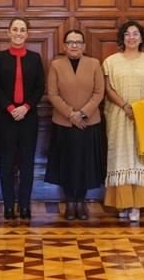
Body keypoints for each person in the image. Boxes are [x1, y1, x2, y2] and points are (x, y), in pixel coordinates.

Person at [45, 29, 106, 220]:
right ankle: (70, 202)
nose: (74, 45)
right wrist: (71, 114)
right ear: (64, 46)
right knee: (67, 164)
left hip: (89, 123)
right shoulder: (56, 65)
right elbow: (52, 94)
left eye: (78, 42)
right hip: (64, 123)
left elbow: (99, 92)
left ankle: (82, 201)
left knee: (85, 164)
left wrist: (83, 113)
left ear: (84, 46)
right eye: (70, 42)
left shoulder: (94, 64)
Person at [103, 20, 144, 222]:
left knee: (141, 155)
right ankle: (123, 203)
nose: (131, 37)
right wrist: (126, 106)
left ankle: (137, 204)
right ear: (122, 38)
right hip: (119, 115)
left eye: (135, 34)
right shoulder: (111, 61)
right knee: (121, 156)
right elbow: (108, 88)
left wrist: (140, 107)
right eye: (127, 34)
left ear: (141, 38)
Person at [0, 17, 45, 220]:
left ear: (27, 34)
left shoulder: (35, 58)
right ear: (8, 33)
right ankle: (8, 206)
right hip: (6, 118)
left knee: (27, 164)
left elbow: (40, 87)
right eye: (15, 29)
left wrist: (26, 107)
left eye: (22, 30)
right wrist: (11, 107)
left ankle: (24, 206)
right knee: (7, 164)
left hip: (29, 118)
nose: (19, 33)